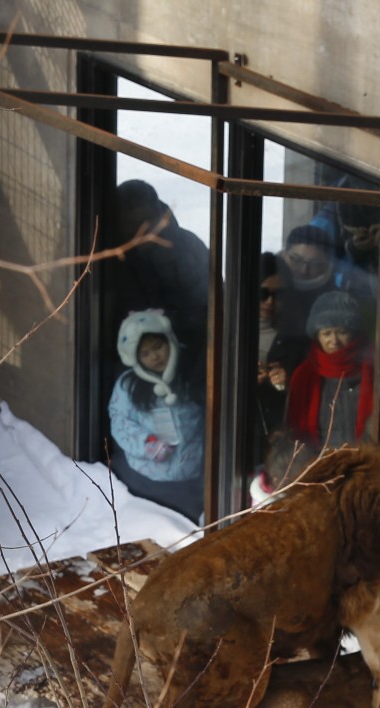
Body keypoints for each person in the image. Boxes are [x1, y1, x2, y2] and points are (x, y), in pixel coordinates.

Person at [106, 308, 204, 520]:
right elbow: (120, 421)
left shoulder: (191, 375)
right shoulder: (128, 385)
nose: (154, 356)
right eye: (145, 354)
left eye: (158, 347)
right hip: (148, 478)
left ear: (170, 341)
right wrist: (147, 444)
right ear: (135, 358)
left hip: (192, 476)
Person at [107, 180, 209, 352]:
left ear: (158, 216)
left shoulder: (188, 246)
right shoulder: (109, 257)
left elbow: (209, 301)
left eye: (147, 221)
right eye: (130, 224)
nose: (141, 231)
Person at [284, 290, 373, 449]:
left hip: (367, 464)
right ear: (317, 336)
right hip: (319, 466)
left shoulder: (373, 370)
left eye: (342, 332)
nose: (334, 341)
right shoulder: (304, 376)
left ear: (354, 332)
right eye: (326, 333)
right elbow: (294, 433)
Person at [272, 222, 372, 345]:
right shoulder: (266, 282)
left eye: (315, 264)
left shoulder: (336, 302)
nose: (304, 270)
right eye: (296, 259)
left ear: (327, 264)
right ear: (284, 254)